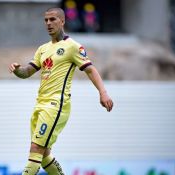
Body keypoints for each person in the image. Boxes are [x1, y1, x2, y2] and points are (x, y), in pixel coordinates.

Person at [8, 7, 113, 175]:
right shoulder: (43, 49)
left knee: (35, 149)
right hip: (40, 105)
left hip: (56, 105)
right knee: (44, 156)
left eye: (53, 19)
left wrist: (103, 93)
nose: (48, 23)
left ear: (62, 21)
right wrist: (17, 70)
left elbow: (90, 69)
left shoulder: (73, 47)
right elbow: (27, 71)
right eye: (46, 20)